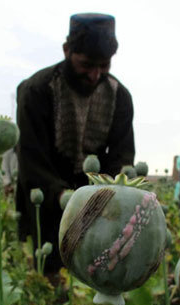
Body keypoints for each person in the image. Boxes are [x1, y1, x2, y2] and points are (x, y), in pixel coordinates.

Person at [15, 13, 135, 274]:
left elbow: (122, 156)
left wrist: (105, 198)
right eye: (87, 64)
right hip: (43, 199)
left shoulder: (120, 97)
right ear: (67, 50)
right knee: (45, 274)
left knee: (90, 274)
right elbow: (30, 158)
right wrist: (64, 198)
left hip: (96, 203)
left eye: (104, 66)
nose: (94, 75)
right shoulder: (37, 90)